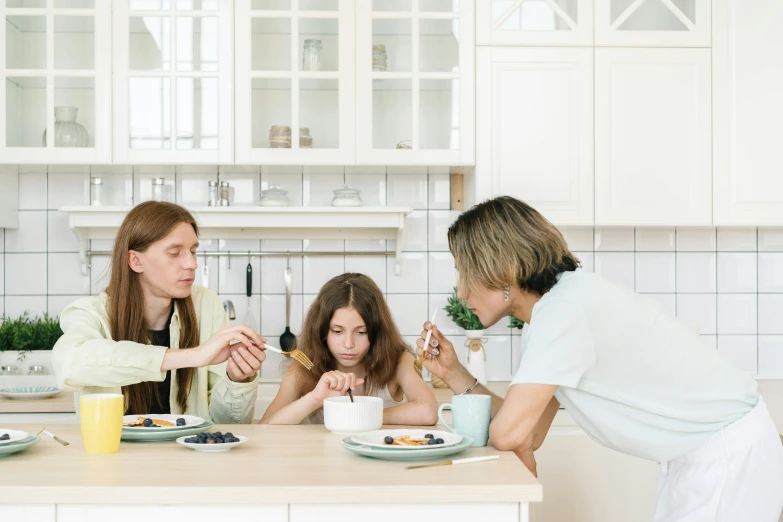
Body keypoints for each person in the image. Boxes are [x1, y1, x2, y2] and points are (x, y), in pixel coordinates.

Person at [417, 196, 783, 522]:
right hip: (704, 454)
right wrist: (453, 372)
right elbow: (528, 429)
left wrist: (520, 445)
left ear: (502, 270)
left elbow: (510, 432)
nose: (462, 291)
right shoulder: (555, 312)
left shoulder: (564, 313)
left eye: (465, 272)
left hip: (726, 456)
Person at [53, 201, 266, 423]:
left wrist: (238, 379)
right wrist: (193, 355)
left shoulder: (206, 305)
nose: (191, 263)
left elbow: (225, 424)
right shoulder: (91, 313)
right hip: (115, 455)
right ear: (136, 261)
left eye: (193, 251)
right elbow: (71, 364)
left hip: (188, 455)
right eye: (175, 253)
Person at [262, 273, 438, 425]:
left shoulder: (399, 361)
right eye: (337, 331)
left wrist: (359, 415)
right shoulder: (302, 368)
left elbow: (427, 411)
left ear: (377, 332)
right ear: (322, 331)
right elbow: (265, 428)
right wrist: (315, 398)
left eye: (361, 332)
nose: (348, 344)